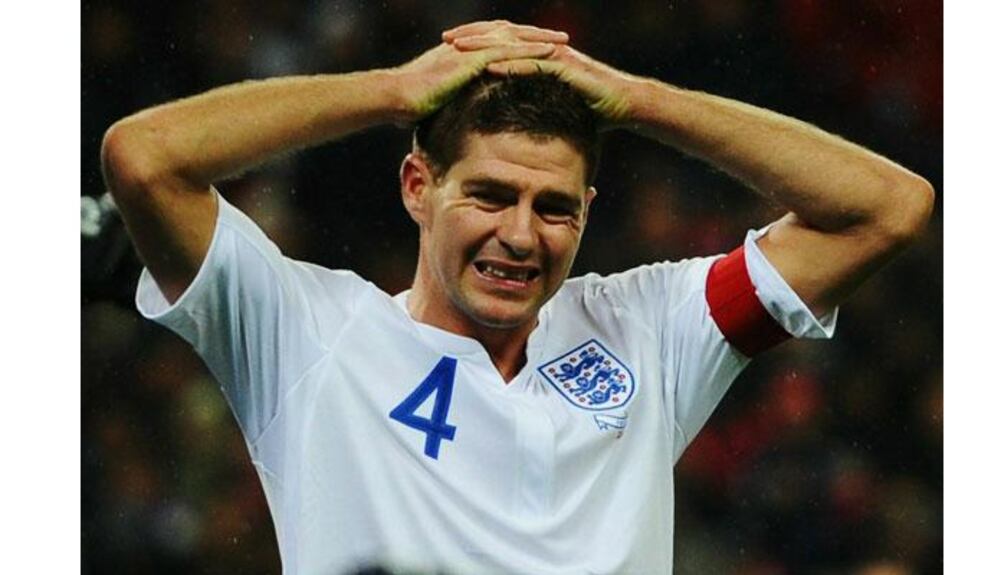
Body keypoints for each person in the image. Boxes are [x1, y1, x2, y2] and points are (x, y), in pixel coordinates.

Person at [101, 20, 933, 575]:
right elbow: (145, 159)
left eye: (555, 206)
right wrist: (392, 91)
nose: (523, 235)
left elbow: (886, 208)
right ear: (417, 185)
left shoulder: (647, 328)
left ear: (587, 213)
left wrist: (646, 103)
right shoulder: (306, 333)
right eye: (491, 196)